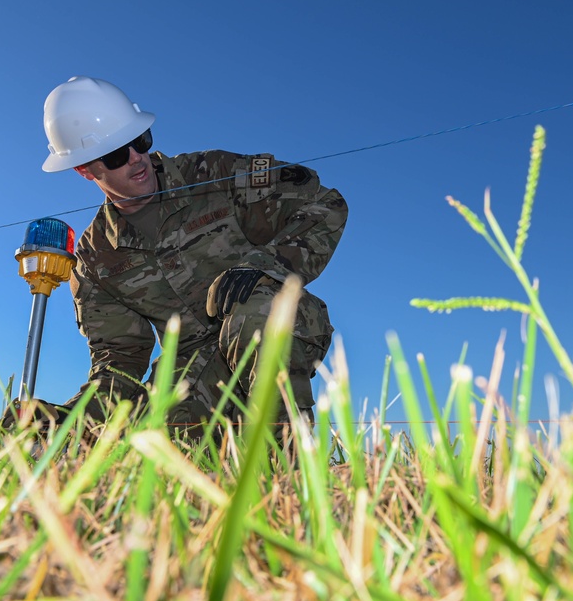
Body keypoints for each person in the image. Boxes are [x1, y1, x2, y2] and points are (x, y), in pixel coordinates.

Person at [37, 76, 347, 436]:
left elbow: (324, 203)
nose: (138, 158)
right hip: (193, 370)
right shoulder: (95, 258)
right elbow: (118, 365)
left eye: (140, 141)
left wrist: (268, 266)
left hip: (271, 322)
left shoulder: (211, 175)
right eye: (117, 154)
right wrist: (65, 420)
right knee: (146, 445)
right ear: (85, 169)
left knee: (255, 314)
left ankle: (288, 464)